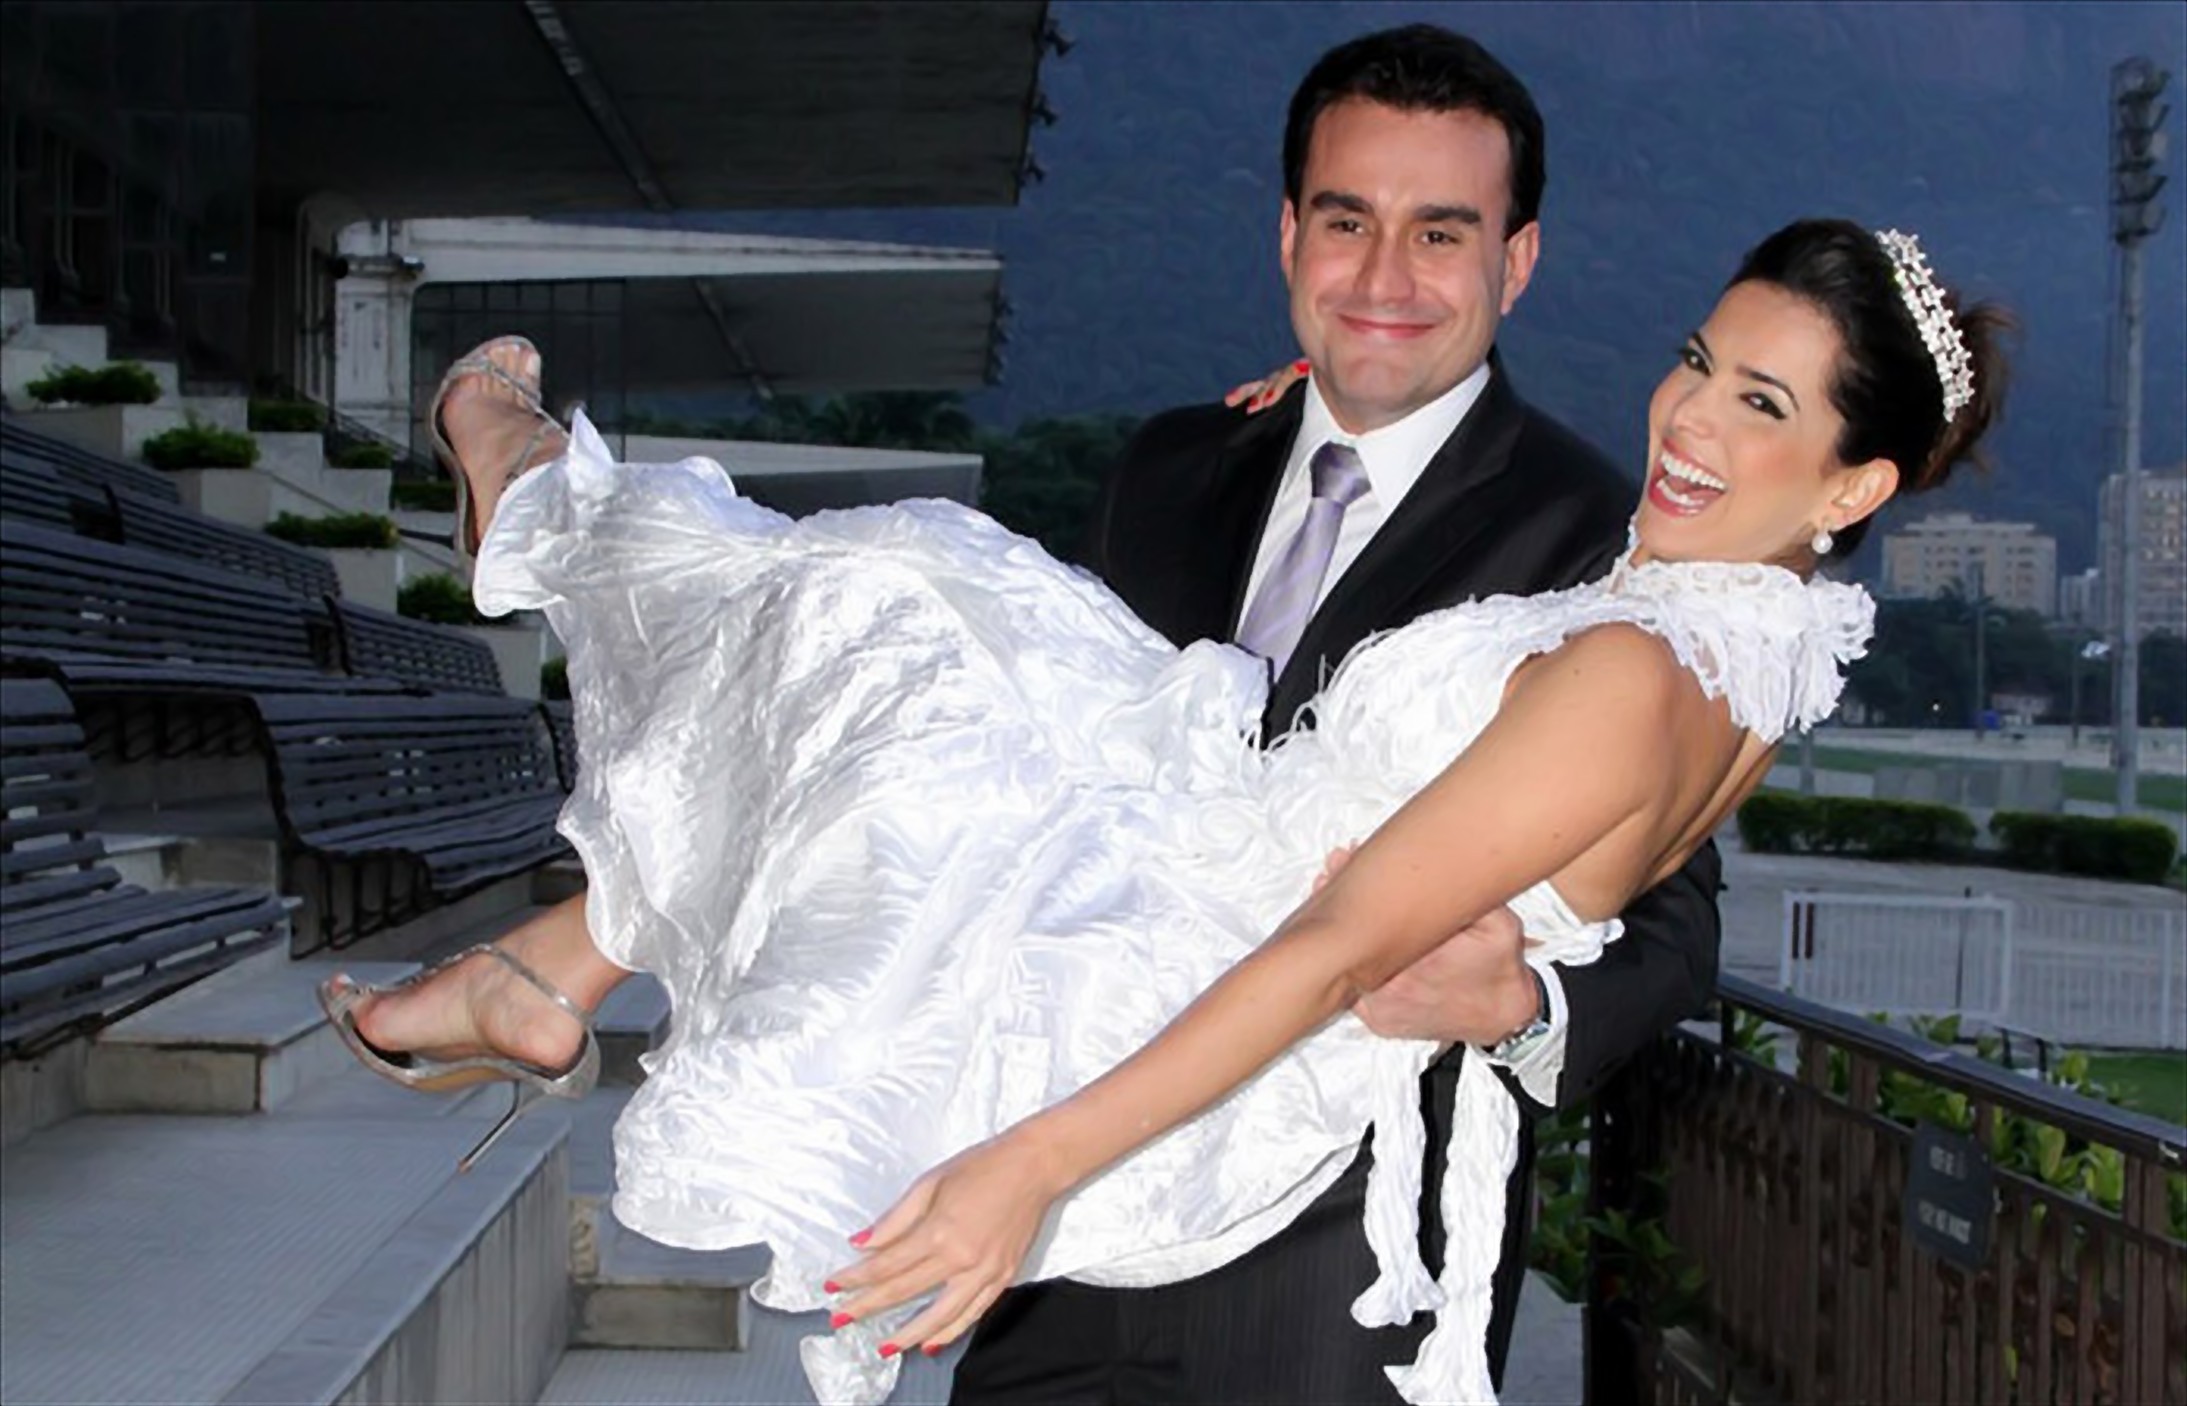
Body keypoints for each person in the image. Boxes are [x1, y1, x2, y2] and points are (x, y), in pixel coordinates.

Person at [324, 209, 2007, 1405]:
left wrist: (1024, 1166)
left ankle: (526, 487)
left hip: (1199, 969)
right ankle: (551, 957)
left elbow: (1343, 939)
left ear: (1856, 481)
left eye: (1761, 403)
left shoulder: (1638, 666)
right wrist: (1330, 411)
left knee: (886, 601)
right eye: (1701, 361)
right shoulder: (1753, 647)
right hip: (1219, 908)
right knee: (898, 635)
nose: (1692, 415)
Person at [950, 27, 1706, 1401]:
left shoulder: (1600, 541)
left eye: (1441, 234)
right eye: (1349, 222)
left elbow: (1677, 917)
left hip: (1345, 1272)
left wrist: (1525, 1004)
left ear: (1516, 262)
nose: (1383, 279)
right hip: (1062, 1228)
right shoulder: (1165, 468)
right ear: (1290, 234)